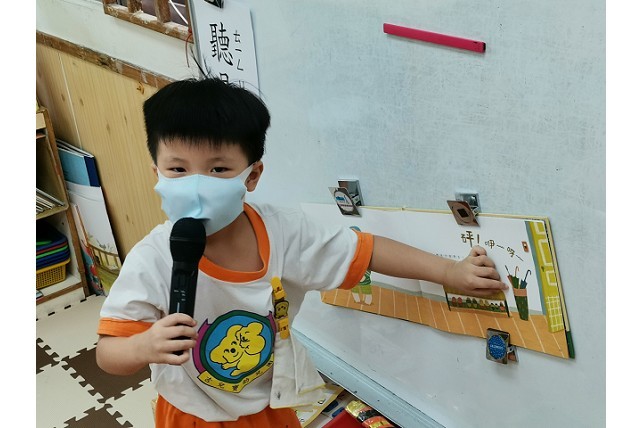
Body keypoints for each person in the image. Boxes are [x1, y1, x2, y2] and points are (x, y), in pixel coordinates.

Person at [95, 77, 507, 427]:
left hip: (270, 404)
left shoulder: (284, 232)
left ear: (252, 175)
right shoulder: (152, 258)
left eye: (218, 169)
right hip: (191, 413)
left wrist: (449, 273)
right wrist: (144, 346)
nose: (197, 184)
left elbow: (365, 252)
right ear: (157, 173)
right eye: (178, 169)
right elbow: (108, 355)